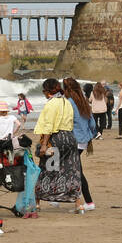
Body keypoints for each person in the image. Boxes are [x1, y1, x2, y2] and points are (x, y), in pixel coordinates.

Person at [32, 78, 84, 213]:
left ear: (47, 91)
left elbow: (49, 125)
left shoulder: (51, 104)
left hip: (55, 140)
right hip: (70, 139)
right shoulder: (67, 102)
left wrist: (44, 144)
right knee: (71, 171)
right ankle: (79, 204)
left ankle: (37, 203)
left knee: (46, 169)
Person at [64, 77, 97, 211]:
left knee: (77, 172)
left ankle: (88, 202)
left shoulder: (69, 103)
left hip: (74, 141)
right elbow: (93, 124)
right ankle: (79, 200)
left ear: (67, 90)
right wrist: (90, 135)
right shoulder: (83, 101)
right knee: (75, 170)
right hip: (84, 141)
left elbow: (66, 122)